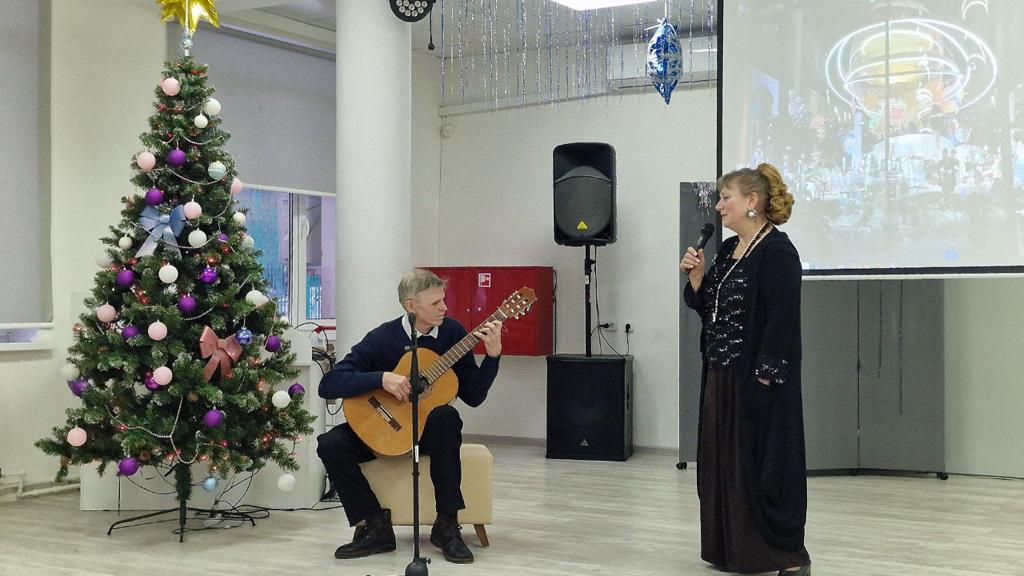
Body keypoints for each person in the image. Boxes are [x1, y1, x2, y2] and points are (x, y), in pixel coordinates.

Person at [317, 268, 503, 564]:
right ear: (411, 306)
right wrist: (382, 379)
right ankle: (376, 526)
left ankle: (446, 526)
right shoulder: (383, 337)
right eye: (435, 303)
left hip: (429, 434)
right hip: (386, 428)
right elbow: (329, 384)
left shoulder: (453, 334)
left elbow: (474, 396)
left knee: (446, 416)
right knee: (330, 444)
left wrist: (492, 358)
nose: (444, 307)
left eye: (443, 300)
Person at [680, 163, 812, 576]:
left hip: (758, 380)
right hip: (721, 374)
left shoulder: (777, 251)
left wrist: (766, 375)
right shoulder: (727, 250)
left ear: (751, 201)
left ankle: (786, 556)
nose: (719, 206)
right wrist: (698, 279)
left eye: (726, 198)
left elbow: (782, 320)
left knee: (764, 465)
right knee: (724, 463)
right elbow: (710, 308)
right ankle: (734, 550)